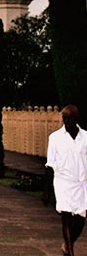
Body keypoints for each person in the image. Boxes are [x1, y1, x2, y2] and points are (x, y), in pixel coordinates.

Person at [43, 105, 87, 256]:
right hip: (63, 183)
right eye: (64, 117)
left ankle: (67, 245)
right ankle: (71, 252)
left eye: (69, 118)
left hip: (81, 184)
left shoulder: (86, 137)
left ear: (76, 119)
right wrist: (46, 191)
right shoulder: (55, 138)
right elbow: (49, 166)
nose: (65, 121)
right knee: (66, 217)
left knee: (81, 221)